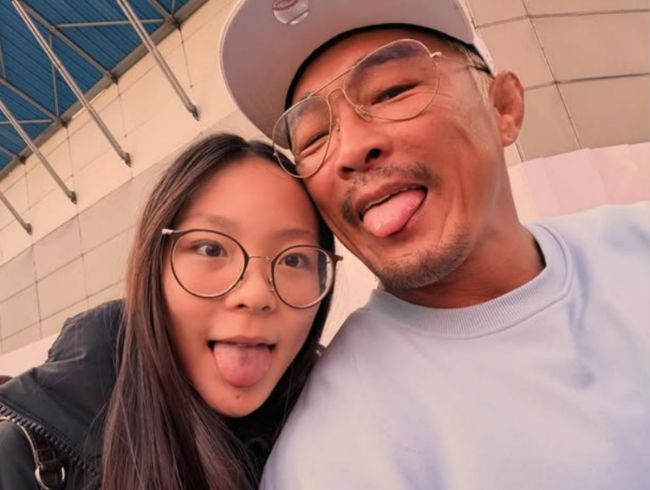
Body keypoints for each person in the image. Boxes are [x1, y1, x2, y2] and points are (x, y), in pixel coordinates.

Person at [219, 1, 650, 488]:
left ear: (503, 107)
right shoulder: (333, 459)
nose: (351, 149)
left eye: (392, 91)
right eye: (313, 139)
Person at [0, 133, 340, 489]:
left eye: (293, 259)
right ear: (153, 266)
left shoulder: (346, 424)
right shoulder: (23, 460)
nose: (257, 295)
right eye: (211, 249)